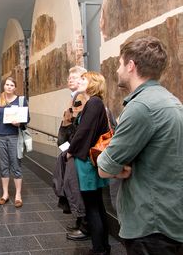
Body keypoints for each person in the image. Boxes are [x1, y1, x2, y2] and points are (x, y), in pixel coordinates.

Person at [98, 36, 183, 255]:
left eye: (119, 64)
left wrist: (115, 166)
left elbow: (105, 167)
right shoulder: (171, 100)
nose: (117, 70)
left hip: (150, 225)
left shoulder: (142, 106)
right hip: (169, 216)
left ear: (131, 65)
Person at [67, 71, 111, 255]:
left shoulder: (93, 102)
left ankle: (99, 249)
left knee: (92, 206)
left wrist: (71, 150)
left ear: (93, 83)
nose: (80, 81)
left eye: (84, 79)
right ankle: (103, 247)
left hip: (86, 161)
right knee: (97, 205)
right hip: (90, 160)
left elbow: (84, 131)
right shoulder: (95, 102)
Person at [57, 66, 90, 241]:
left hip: (78, 153)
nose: (70, 79)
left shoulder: (84, 100)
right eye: (69, 76)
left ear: (83, 79)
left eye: (75, 77)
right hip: (71, 150)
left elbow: (80, 130)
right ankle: (80, 222)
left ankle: (85, 226)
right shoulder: (73, 98)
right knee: (72, 186)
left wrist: (71, 150)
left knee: (77, 188)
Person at [0, 76, 29, 208]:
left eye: (12, 85)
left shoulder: (21, 101)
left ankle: (18, 195)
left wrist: (19, 123)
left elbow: (27, 119)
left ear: (15, 88)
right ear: (4, 86)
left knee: (16, 164)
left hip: (14, 137)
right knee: (3, 165)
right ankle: (5, 194)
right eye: (7, 84)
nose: (9, 87)